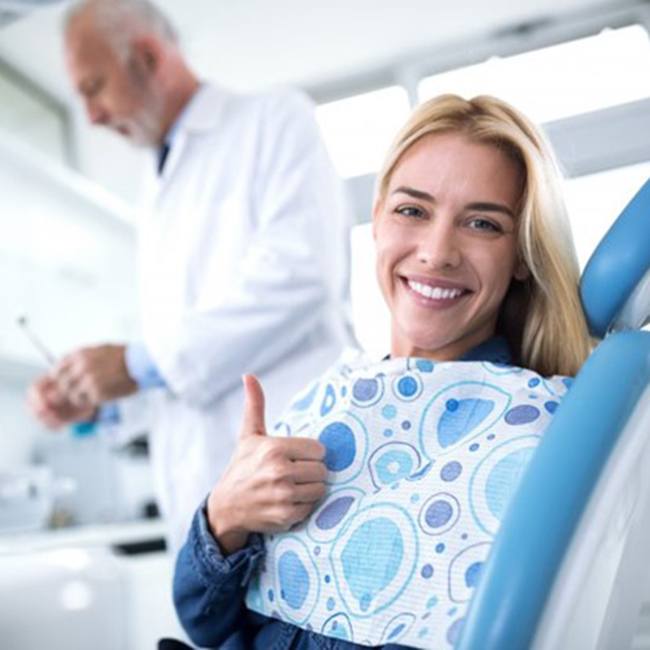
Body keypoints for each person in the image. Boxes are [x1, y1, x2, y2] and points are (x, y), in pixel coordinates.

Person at [171, 93, 592, 649]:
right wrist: (224, 516)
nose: (437, 252)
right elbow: (206, 623)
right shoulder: (327, 404)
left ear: (520, 254)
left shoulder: (535, 432)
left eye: (483, 224)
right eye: (412, 210)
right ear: (376, 221)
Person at [26, 0, 352, 550]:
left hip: (291, 487)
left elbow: (300, 278)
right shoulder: (156, 184)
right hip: (206, 511)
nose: (92, 117)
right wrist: (101, 395)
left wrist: (131, 364)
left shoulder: (272, 121)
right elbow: (184, 364)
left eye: (94, 87)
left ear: (148, 57)